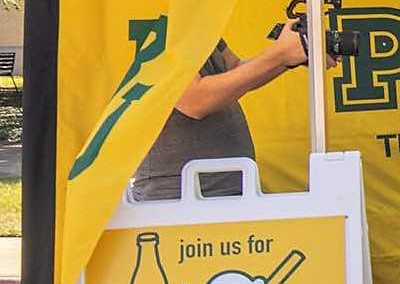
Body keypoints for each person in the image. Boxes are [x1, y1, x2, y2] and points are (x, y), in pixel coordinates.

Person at [131, 27, 306, 200]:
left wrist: (293, 56)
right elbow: (195, 100)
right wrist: (280, 55)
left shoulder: (195, 22)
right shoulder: (154, 25)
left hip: (222, 188)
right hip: (180, 196)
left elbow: (234, 68)